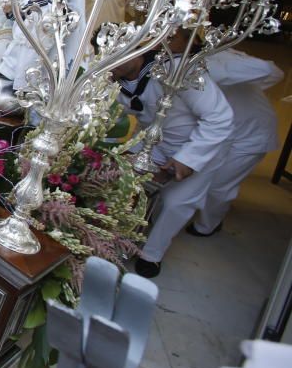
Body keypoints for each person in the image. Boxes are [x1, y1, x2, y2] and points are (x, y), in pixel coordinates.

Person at [112, 50, 233, 278]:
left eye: (119, 54)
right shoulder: (115, 79)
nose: (113, 61)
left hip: (202, 142)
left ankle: (152, 255)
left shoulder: (177, 69)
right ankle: (119, 238)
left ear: (137, 51)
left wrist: (188, 158)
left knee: (174, 203)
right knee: (118, 179)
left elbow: (220, 118)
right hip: (154, 140)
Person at [187, 48, 283, 236]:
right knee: (204, 174)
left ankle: (207, 226)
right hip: (222, 129)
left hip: (252, 134)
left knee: (220, 186)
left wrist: (230, 76)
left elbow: (271, 71)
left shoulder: (217, 57)